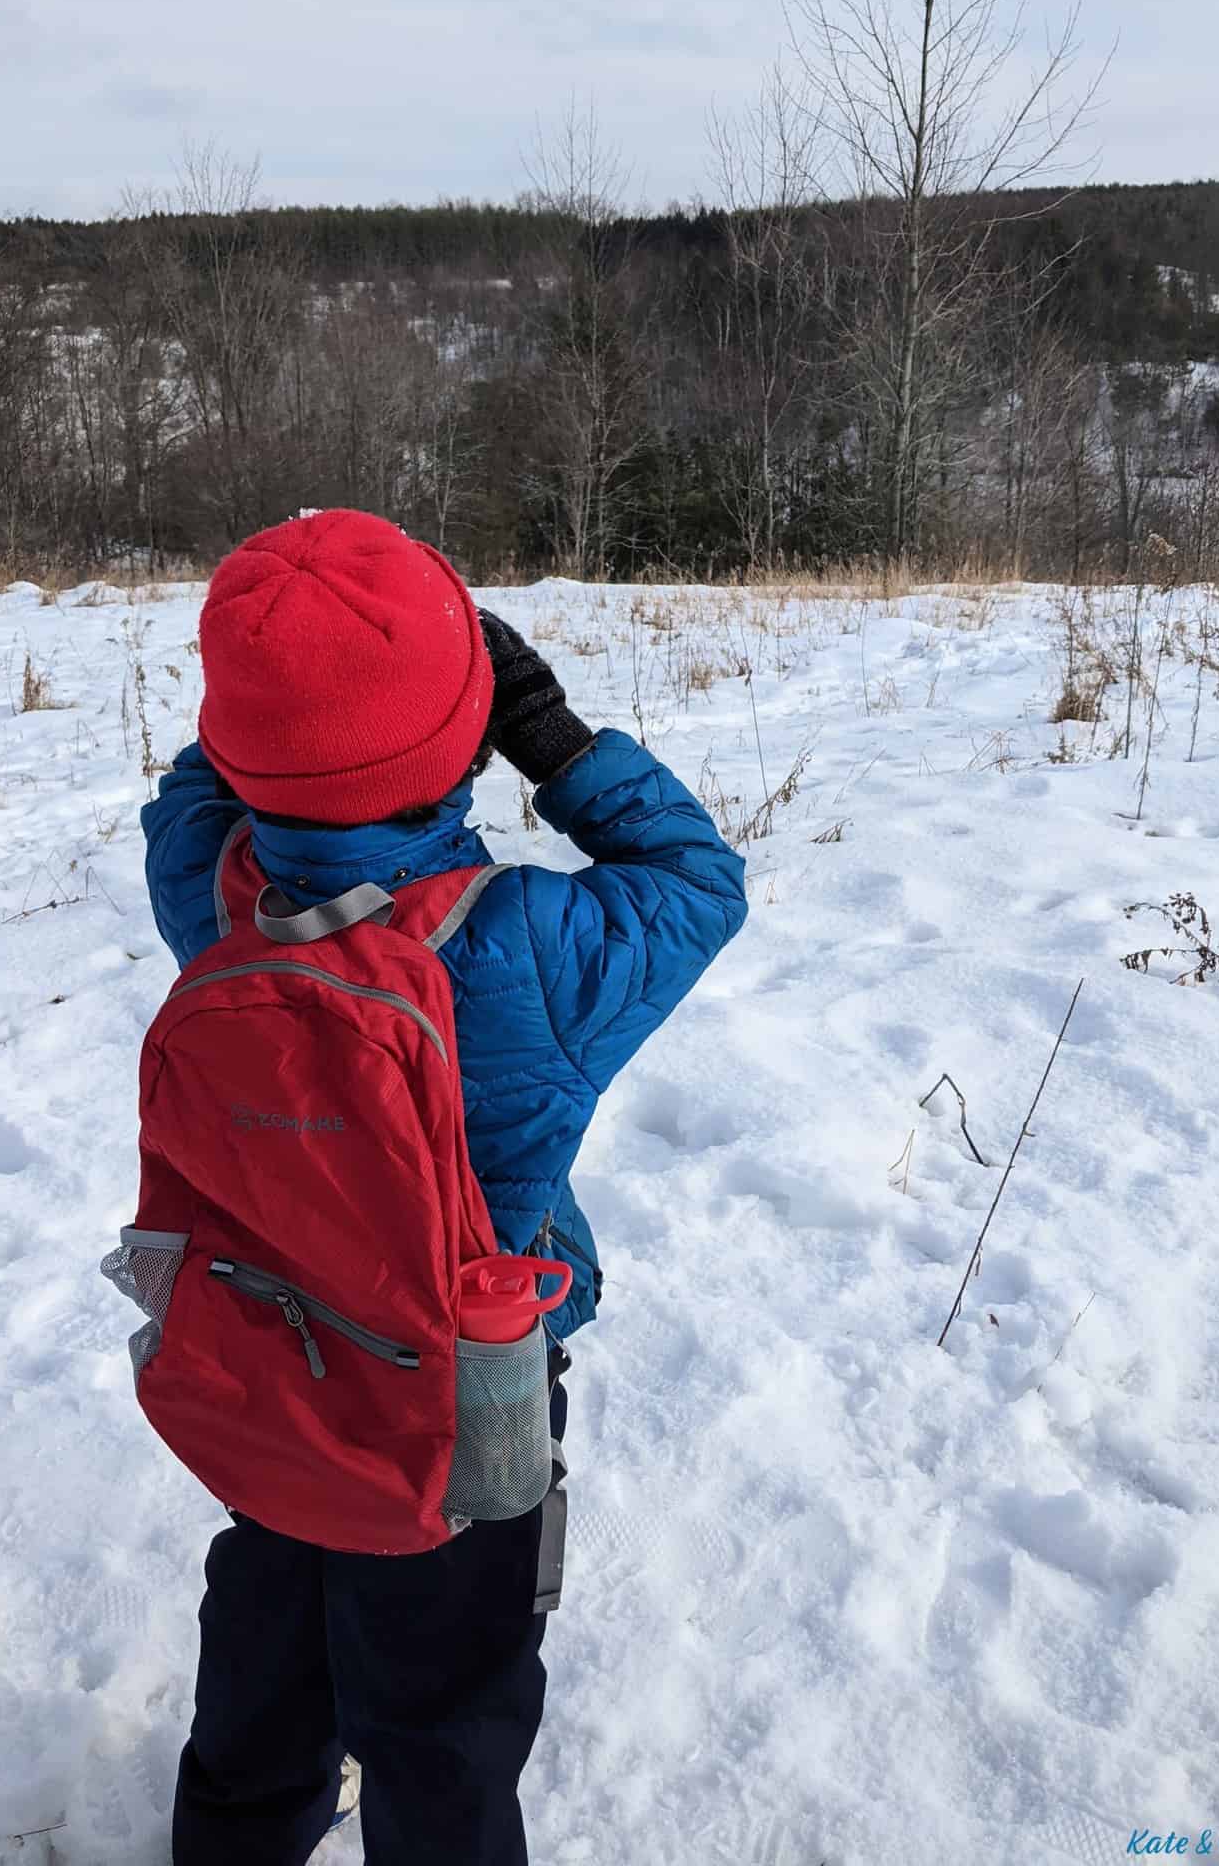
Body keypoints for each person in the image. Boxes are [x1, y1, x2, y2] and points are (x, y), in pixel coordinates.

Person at [139, 509, 747, 1866]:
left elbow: (198, 792)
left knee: (269, 1639)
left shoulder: (213, 890)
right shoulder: (530, 944)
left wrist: (278, 689)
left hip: (275, 1353)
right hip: (468, 1389)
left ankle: (235, 1835)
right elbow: (697, 882)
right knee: (443, 1706)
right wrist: (552, 733)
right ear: (465, 743)